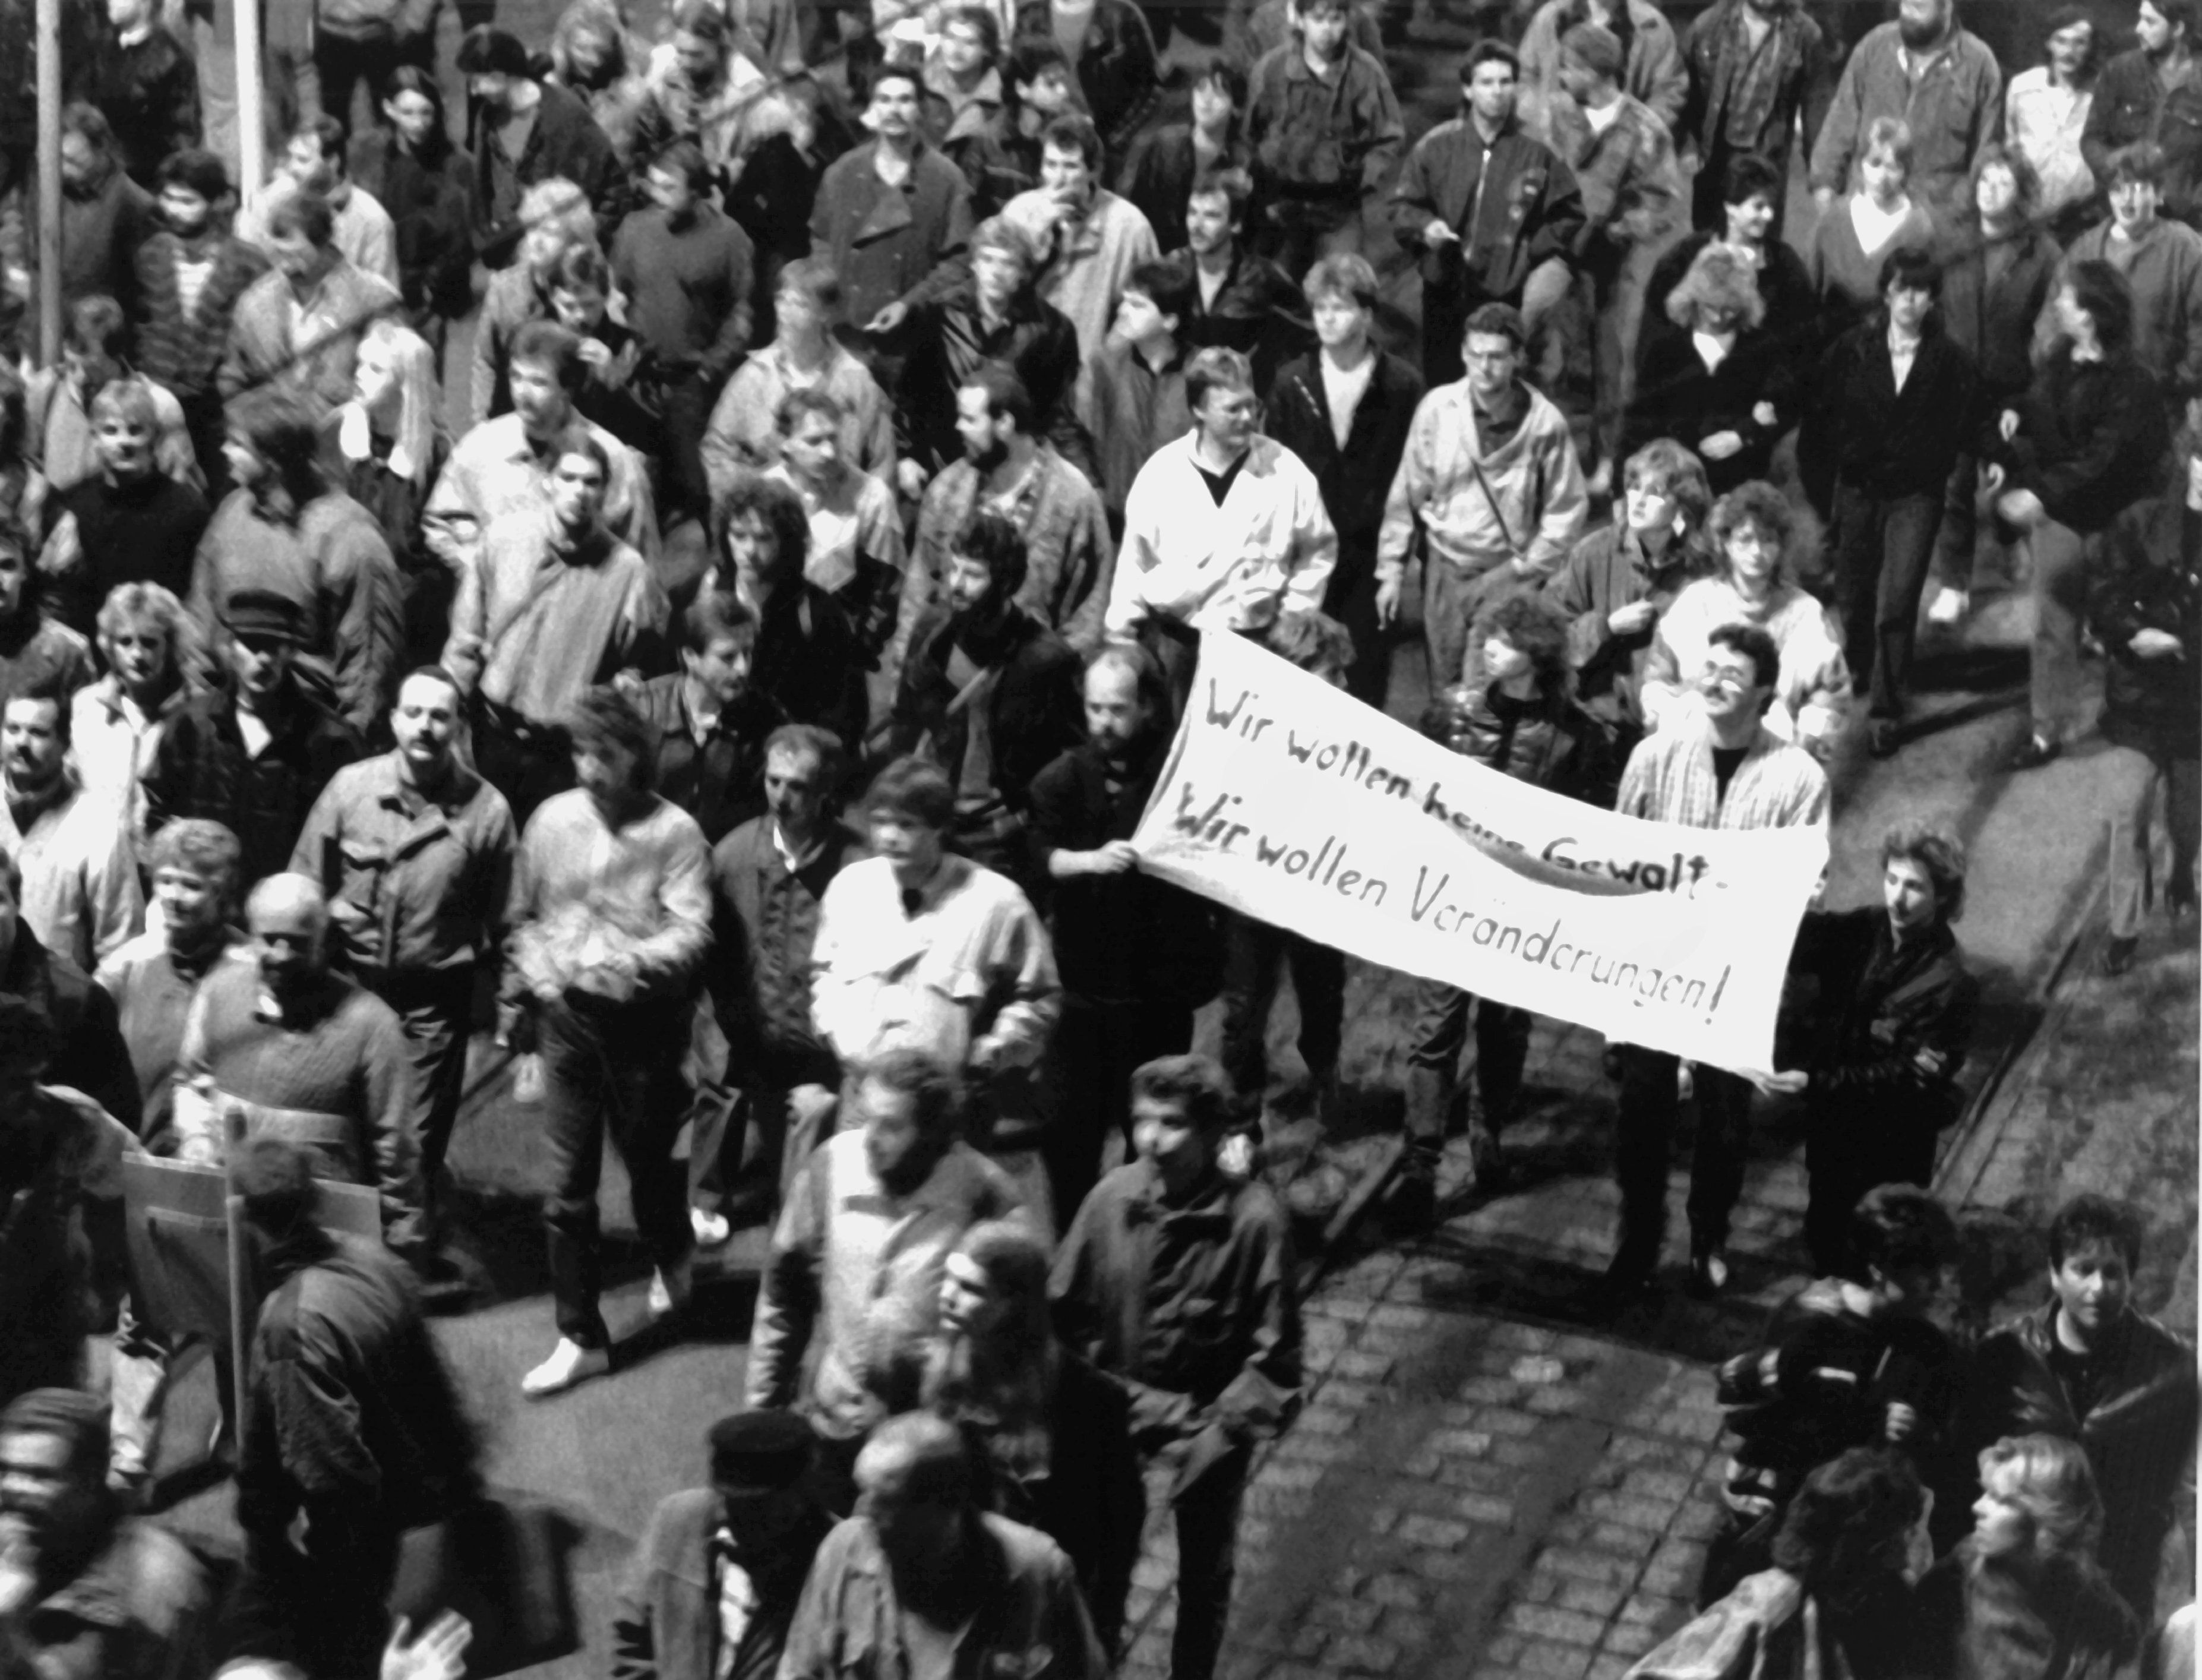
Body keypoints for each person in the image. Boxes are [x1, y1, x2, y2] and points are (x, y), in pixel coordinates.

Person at [1050, 1053, 1300, 1678]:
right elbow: (1063, 1314)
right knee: (1099, 1563)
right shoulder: (1112, 1200)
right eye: (1142, 1120)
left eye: (1172, 1122)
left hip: (1209, 1427)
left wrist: (1222, 1428)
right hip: (1114, 1413)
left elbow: (1274, 1354)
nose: (1151, 1139)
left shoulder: (1253, 1220)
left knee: (1203, 1573)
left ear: (1212, 1133)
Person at [1603, 623, 1829, 1306]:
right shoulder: (1654, 755)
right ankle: (1636, 1240)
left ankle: (1708, 1237)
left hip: (1737, 974)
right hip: (1656, 968)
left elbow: (1807, 882)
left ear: (1764, 690)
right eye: (1711, 665)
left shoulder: (1797, 776)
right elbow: (1617, 852)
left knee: (1722, 1119)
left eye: (1735, 672)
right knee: (1640, 1115)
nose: (1717, 679)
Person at [503, 686, 712, 1397]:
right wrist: (541, 986)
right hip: (569, 1023)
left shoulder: (674, 832)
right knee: (567, 1191)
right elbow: (521, 919)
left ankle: (673, 1253)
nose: (590, 767)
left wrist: (637, 960)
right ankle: (580, 1334)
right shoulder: (549, 821)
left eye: (606, 754)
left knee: (649, 1169)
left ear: (636, 757)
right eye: (581, 752)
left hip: (642, 1028)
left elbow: (693, 929)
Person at [225, 1137, 480, 1680]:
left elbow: (333, 1474)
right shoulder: (371, 1257)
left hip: (368, 1547)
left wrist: (328, 1576)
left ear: (243, 1215)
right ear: (315, 1196)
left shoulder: (291, 1325)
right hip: (425, 1488)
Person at [290, 668, 514, 1243]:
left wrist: (514, 1011)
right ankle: (343, 1259)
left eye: (440, 715)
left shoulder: (486, 812)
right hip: (351, 994)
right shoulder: (350, 789)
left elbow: (507, 921)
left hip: (431, 1006)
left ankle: (400, 1268)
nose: (425, 726)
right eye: (413, 712)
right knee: (342, 1131)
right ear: (393, 719)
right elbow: (304, 886)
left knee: (410, 1142)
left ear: (459, 726)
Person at [746, 1051, 1029, 1484]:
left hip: (932, 1443)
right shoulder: (831, 1167)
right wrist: (761, 1413)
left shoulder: (984, 1192)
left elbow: (1019, 1327)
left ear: (933, 1131)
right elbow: (782, 1296)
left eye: (892, 1126)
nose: (870, 1138)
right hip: (835, 1423)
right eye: (866, 1119)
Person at [1401, 596, 1594, 1227]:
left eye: (1504, 641)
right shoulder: (1452, 710)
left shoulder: (1575, 732)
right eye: (1488, 636)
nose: (1488, 647)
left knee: (1504, 1029)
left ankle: (1487, 1132)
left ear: (1534, 654)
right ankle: (1419, 1167)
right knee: (1434, 1031)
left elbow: (1591, 826)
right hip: (1451, 897)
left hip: (1521, 909)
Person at [1026, 642, 1214, 1248]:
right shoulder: (1059, 779)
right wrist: (1085, 861)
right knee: (1068, 1134)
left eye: (1118, 709)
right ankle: (1075, 1246)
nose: (1104, 722)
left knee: (1153, 1132)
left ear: (1147, 709)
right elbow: (1035, 856)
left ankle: (1147, 1244)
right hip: (1082, 992)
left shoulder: (1175, 777)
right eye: (1095, 708)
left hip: (1153, 993)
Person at [1698, 1186, 1961, 1604]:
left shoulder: (1927, 1347)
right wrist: (1863, 1418)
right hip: (1779, 1523)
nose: (1937, 1284)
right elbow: (1749, 1411)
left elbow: (1942, 1445)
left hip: (1858, 1545)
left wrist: (1919, 1434)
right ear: (1879, 1269)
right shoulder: (1811, 1324)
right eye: (1923, 1269)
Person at [1948, 1194, 2200, 1623]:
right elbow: (1958, 1479)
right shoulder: (2003, 1357)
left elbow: (2188, 1493)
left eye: (2112, 1272)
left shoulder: (2172, 1369)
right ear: (2054, 1273)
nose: (2098, 1288)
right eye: (2082, 1270)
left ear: (2130, 1278)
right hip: (2014, 1582)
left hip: (2117, 1588)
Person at [173, 872, 429, 1264]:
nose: (281, 953)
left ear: (322, 943)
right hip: (232, 1220)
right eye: (269, 938)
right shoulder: (218, 992)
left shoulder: (371, 1024)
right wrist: (196, 1141)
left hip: (323, 1234)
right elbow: (192, 1081)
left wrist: (402, 1240)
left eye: (297, 942)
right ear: (250, 933)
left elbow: (395, 1146)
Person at [811, 757, 1061, 1158]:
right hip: (863, 1099)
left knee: (944, 1211)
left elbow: (1040, 996)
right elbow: (823, 973)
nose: (889, 837)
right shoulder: (849, 889)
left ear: (940, 828)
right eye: (880, 822)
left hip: (950, 1108)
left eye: (906, 825)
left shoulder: (995, 902)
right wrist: (834, 1030)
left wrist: (994, 1050)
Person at [1770, 822, 1979, 1272]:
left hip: (1890, 1147)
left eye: (1914, 888)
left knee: (1878, 1257)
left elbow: (1909, 1076)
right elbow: (1799, 940)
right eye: (1892, 880)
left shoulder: (1951, 985)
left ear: (1943, 897)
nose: (1897, 898)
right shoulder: (1865, 929)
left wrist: (1816, 1081)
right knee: (1823, 1234)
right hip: (1833, 1130)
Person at [437, 415, 666, 817]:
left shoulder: (626, 570)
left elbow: (640, 665)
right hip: (489, 734)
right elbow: (465, 641)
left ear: (604, 492)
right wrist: (448, 713)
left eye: (591, 482)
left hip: (560, 754)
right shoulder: (503, 539)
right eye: (569, 478)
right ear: (548, 483)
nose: (579, 492)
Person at [1990, 261, 2168, 773]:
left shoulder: (2132, 383)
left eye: (2066, 299)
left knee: (2130, 620)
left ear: (2090, 314)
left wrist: (2039, 495)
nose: (2058, 306)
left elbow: (2103, 461)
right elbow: (2041, 408)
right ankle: (2047, 731)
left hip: (2120, 520)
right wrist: (2017, 413)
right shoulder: (2058, 358)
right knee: (2053, 619)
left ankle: (2141, 718)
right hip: (2062, 514)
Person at [1801, 248, 1974, 757]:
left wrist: (1997, 454)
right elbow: (1817, 408)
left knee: (1897, 602)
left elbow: (1970, 419)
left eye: (1920, 291)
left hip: (1915, 496)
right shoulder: (1852, 348)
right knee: (1853, 598)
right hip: (1856, 490)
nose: (1909, 300)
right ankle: (1855, 669)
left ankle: (1886, 709)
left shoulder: (1949, 360)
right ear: (1886, 292)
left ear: (1931, 299)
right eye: (1901, 289)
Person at [778, 1414, 1105, 1680]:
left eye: (888, 1503)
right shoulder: (845, 1548)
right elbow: (799, 1670)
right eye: (863, 1493)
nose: (865, 1516)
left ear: (950, 1503)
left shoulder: (1039, 1571)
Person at [903, 1220, 1139, 1585]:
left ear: (1013, 1305)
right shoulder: (924, 1370)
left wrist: (1098, 1626)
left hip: (1033, 1584)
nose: (947, 1296)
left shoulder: (1088, 1397)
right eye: (948, 1278)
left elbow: (1116, 1528)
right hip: (952, 1576)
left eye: (970, 1288)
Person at [1375, 302, 1588, 697]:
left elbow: (1566, 509)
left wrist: (1529, 566)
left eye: (1495, 357)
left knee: (1492, 686)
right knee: (1445, 685)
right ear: (1463, 354)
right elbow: (1407, 492)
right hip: (1445, 567)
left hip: (1506, 572)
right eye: (1475, 355)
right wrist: (1390, 570)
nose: (1483, 367)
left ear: (1517, 359)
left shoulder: (1543, 425)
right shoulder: (1438, 410)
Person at [1107, 346, 1337, 686]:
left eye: (1251, 405)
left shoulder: (1287, 472)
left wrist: (1295, 616)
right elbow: (1135, 562)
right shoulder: (1161, 475)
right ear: (1199, 409)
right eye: (1233, 409)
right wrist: (1121, 633)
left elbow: (1317, 549)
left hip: (1260, 644)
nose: (1247, 418)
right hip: (1180, 643)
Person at [708, 724, 865, 1212]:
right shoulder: (733, 854)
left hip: (819, 1051)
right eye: (774, 781)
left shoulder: (857, 864)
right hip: (753, 1041)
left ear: (823, 791)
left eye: (796, 786)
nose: (781, 797)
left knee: (804, 1182)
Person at [191, 388, 406, 738]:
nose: (224, 452)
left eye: (238, 444)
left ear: (274, 462)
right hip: (231, 723)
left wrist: (348, 748)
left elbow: (368, 669)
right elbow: (202, 622)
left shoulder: (351, 540)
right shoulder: (232, 513)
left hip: (309, 735)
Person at [1263, 252, 1424, 708]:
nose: (1328, 319)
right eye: (1320, 309)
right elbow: (1272, 475)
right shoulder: (1291, 383)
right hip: (1305, 553)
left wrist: (1398, 565)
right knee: (1300, 675)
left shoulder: (1401, 385)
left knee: (1366, 680)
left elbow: (1414, 477)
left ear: (1367, 314)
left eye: (1340, 308)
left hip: (1370, 555)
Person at [890, 510, 1083, 888]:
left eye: (973, 575)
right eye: (954, 570)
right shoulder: (934, 629)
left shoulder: (1046, 659)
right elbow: (905, 718)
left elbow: (1071, 760)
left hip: (998, 838)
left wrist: (1029, 822)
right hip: (933, 821)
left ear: (1006, 583)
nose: (957, 585)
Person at [1619, 1448, 1922, 1680]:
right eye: (1897, 1538)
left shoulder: (1889, 1595)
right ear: (1857, 1549)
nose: (1906, 1550)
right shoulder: (1769, 1605)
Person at [1389, 40, 1584, 388]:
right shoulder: (1437, 146)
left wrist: (1528, 251)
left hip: (1506, 289)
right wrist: (1426, 227)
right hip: (1444, 288)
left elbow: (1569, 215)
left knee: (1500, 384)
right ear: (1468, 89)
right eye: (1486, 82)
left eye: (1505, 82)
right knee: (1444, 384)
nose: (1497, 91)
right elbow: (1403, 207)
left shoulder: (1538, 150)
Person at [141, 590, 365, 889]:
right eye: (252, 645)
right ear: (230, 648)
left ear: (292, 651)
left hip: (281, 912)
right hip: (203, 905)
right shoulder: (191, 726)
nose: (263, 660)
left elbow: (346, 840)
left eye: (275, 647)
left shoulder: (329, 740)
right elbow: (159, 816)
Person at [1927, 144, 2064, 630]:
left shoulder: (2042, 252)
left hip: (2012, 390)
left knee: (2012, 479)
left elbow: (2050, 332)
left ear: (2021, 192)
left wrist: (2023, 401)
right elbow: (1931, 310)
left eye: (2002, 183)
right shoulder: (1950, 242)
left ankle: (2009, 540)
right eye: (1984, 181)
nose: (1989, 191)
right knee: (1954, 484)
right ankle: (1953, 584)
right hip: (1955, 386)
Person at [1543, 19, 1682, 497]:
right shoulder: (1559, 115)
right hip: (1558, 255)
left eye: (1569, 68)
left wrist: (1620, 230)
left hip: (1612, 264)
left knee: (1608, 367)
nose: (1561, 76)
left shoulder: (1643, 129)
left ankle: (1605, 462)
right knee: (1552, 358)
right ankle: (1556, 464)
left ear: (1596, 73)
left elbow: (1663, 200)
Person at [1543, 437, 1714, 806]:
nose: (1637, 500)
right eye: (1633, 487)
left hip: (1672, 741)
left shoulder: (1703, 572)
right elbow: (1546, 637)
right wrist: (1605, 626)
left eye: (1654, 492)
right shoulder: (1594, 552)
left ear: (1682, 506)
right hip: (1597, 733)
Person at [429, 320, 662, 584]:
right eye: (516, 377)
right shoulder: (482, 447)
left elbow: (643, 560)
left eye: (538, 382)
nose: (522, 394)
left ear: (568, 389)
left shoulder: (613, 460)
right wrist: (480, 568)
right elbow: (441, 521)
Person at [904, 368, 1113, 659]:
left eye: (970, 419)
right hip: (949, 679)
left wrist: (1057, 678)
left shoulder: (1074, 499)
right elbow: (918, 591)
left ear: (1004, 423)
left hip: (1031, 684)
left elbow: (1088, 614)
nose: (959, 428)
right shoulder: (947, 489)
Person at [2092, 422, 2202, 976]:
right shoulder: (2139, 523)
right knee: (2126, 816)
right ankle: (2124, 927)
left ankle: (2182, 872)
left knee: (2186, 819)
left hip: (2196, 711)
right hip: (2137, 704)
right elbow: (2104, 597)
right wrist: (2134, 634)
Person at [0, 1388, 208, 1679]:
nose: (13, 1489)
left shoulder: (150, 1578)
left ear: (90, 1486)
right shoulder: (22, 1543)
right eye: (5, 1471)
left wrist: (7, 1628)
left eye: (39, 1476)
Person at [612, 1410, 835, 1680]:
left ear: (799, 1496)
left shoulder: (835, 1561)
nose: (732, 1519)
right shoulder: (677, 1521)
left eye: (757, 1508)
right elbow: (633, 1633)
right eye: (729, 1501)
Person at [1641, 481, 1849, 761]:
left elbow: (1831, 692)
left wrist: (1803, 750)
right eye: (1745, 539)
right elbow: (1658, 681)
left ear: (1781, 545)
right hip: (1697, 747)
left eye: (1768, 540)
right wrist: (1673, 739)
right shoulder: (1695, 603)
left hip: (1775, 753)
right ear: (1726, 543)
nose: (1757, 552)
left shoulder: (1805, 613)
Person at [1909, 1435, 2145, 1678]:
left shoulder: (2107, 1623)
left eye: (2001, 1499)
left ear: (2047, 1521)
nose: (1977, 1507)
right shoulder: (1949, 1588)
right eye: (1985, 1492)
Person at [613, 138, 758, 527]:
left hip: (693, 382)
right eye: (652, 185)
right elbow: (618, 293)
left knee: (699, 487)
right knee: (639, 485)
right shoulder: (633, 229)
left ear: (696, 191)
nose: (656, 195)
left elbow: (742, 313)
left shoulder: (730, 238)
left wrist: (710, 370)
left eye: (668, 188)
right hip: (640, 379)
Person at [0, 996, 132, 1406]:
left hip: (49, 1325)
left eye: (34, 1080)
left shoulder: (73, 1122)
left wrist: (105, 1285)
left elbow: (138, 1192)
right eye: (13, 1083)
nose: (28, 1096)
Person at [887, 214, 1084, 485]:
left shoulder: (1052, 329)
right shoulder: (939, 314)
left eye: (1008, 263)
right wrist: (906, 456)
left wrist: (1085, 478)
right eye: (988, 260)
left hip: (1014, 468)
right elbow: (910, 394)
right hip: (945, 463)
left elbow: (1058, 414)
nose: (996, 272)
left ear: (1025, 272)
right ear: (975, 265)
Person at [94, 819, 244, 1155]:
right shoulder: (128, 965)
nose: (174, 897)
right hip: (136, 1143)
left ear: (222, 892)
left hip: (215, 1151)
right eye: (165, 881)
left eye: (191, 885)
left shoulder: (246, 968)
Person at [132, 149, 270, 498]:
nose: (174, 209)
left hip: (219, 407)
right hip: (161, 401)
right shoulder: (150, 255)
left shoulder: (247, 264)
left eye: (188, 201)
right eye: (168, 198)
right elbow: (140, 326)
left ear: (217, 202)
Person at [699, 472, 870, 754]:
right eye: (738, 536)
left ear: (786, 541)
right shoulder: (710, 592)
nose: (749, 551)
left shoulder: (817, 612)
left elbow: (846, 715)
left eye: (763, 538)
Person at [702, 257, 898, 498]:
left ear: (825, 314)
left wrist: (865, 511)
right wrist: (747, 493)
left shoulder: (856, 380)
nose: (786, 315)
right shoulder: (754, 376)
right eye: (782, 301)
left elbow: (883, 463)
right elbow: (716, 450)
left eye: (801, 305)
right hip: (771, 518)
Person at [808, 62, 975, 342]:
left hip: (915, 337)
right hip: (845, 332)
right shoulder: (842, 173)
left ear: (920, 109)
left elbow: (959, 262)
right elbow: (821, 239)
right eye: (884, 100)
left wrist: (909, 304)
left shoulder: (947, 180)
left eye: (905, 100)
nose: (894, 110)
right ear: (872, 109)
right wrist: (831, 292)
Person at [39, 375, 210, 639]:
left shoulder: (187, 508)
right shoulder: (73, 506)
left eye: (135, 430)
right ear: (94, 438)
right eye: (111, 431)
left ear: (153, 437)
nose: (124, 442)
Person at [323, 318, 451, 667]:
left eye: (376, 369)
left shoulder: (436, 453)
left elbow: (436, 550)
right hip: (339, 596)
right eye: (360, 365)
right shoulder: (335, 432)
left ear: (405, 386)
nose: (360, 375)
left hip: (406, 612)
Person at [1002, 115, 1161, 398]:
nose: (1059, 179)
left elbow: (1149, 308)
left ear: (1093, 171)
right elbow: (998, 293)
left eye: (1070, 167)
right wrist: (1038, 235)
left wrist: (1105, 361)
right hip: (1023, 370)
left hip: (1093, 381)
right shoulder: (1018, 215)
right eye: (1051, 165)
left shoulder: (1128, 225)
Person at [1243, 0, 1402, 281]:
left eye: (1335, 19)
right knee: (1272, 292)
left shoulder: (1364, 72)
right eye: (1318, 19)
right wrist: (1260, 177)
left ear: (1347, 20)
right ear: (1300, 20)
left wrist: (1361, 176)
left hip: (1338, 208)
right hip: (1280, 204)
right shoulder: (1273, 69)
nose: (1327, 29)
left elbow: (1389, 135)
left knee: (1341, 287)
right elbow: (1251, 131)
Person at [2040, 141, 2202, 417]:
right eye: (2117, 189)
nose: (2126, 200)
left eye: (2138, 189)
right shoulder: (2086, 248)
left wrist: (2179, 383)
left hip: (2157, 406)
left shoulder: (2184, 248)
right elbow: (2051, 321)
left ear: (2159, 194)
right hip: (2088, 405)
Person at [1808, 0, 2002, 228]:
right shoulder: (1875, 46)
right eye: (1906, 5)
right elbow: (1838, 126)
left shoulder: (1979, 66)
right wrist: (1825, 193)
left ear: (1948, 6)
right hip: (1861, 221)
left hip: (1933, 233)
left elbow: (1985, 159)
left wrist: (1955, 221)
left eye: (1920, 6)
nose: (1908, 9)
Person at [217, 190, 402, 420]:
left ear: (323, 244)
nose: (283, 265)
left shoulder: (373, 300)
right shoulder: (255, 302)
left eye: (293, 255)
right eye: (277, 254)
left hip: (345, 436)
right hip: (273, 436)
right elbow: (234, 376)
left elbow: (394, 381)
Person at [458, 26, 625, 268]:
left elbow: (602, 195)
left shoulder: (564, 117)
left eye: (476, 82)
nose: (473, 90)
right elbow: (484, 189)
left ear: (499, 76)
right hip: (512, 255)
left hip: (561, 258)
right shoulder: (487, 116)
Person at [766, 390, 908, 674]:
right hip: (771, 650)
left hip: (841, 656)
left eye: (833, 438)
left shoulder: (871, 497)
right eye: (814, 441)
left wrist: (857, 649)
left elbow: (889, 585)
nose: (829, 452)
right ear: (785, 444)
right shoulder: (765, 494)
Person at [0, 686, 141, 973]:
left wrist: (86, 1006)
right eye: (12, 729)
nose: (21, 743)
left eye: (38, 733)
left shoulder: (98, 827)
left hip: (58, 1008)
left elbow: (121, 945)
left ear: (65, 743)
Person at [24, 295, 200, 505]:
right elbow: (31, 461)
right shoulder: (47, 389)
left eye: (89, 367)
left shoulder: (158, 405)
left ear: (116, 356)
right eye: (72, 363)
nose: (77, 376)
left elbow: (182, 490)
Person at [350, 67, 476, 353]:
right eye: (408, 113)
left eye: (426, 113)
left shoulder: (456, 164)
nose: (418, 123)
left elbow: (460, 238)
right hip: (374, 286)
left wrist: (429, 294)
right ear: (388, 109)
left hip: (425, 297)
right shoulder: (367, 155)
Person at [1677, 1, 1830, 233]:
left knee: (1761, 247)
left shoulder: (1805, 35)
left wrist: (1823, 176)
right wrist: (1688, 145)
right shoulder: (1708, 26)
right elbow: (1682, 87)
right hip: (1715, 158)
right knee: (1709, 243)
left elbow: (1816, 105)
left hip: (1767, 161)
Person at [72, 582, 195, 858]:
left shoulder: (194, 714)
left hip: (163, 866)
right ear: (110, 646)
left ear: (171, 645)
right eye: (125, 642)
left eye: (150, 643)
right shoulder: (87, 707)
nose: (137, 655)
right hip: (96, 862)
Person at [1171, 169, 1310, 399]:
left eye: (1211, 216)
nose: (1197, 225)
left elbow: (1310, 335)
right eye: (1192, 213)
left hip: (1243, 401)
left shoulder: (1261, 278)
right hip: (1180, 402)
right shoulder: (1173, 270)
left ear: (1235, 224)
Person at [469, 177, 598, 426]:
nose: (537, 241)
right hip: (510, 419)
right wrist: (480, 421)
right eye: (532, 229)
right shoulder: (505, 288)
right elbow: (485, 359)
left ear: (575, 240)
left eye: (550, 232)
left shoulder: (590, 294)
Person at [1083, 257, 1198, 522]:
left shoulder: (1199, 372)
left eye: (1138, 306)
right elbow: (1078, 431)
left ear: (1170, 321)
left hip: (1181, 523)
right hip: (1116, 520)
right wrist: (1095, 490)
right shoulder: (1105, 365)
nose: (1123, 311)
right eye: (1125, 301)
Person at [234, 113, 400, 290]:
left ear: (333, 162)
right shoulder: (269, 201)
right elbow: (244, 260)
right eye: (291, 157)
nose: (292, 168)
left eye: (303, 160)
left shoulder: (372, 220)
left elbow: (383, 294)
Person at [1804, 116, 1938, 333]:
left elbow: (1928, 305)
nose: (1882, 177)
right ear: (1860, 164)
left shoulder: (1918, 229)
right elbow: (1809, 293)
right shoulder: (1833, 220)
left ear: (1906, 172)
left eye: (1894, 167)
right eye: (1875, 164)